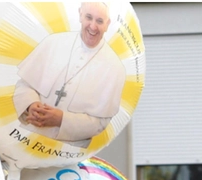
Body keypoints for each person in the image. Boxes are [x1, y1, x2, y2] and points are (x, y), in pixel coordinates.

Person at [11, 2, 126, 145]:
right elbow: (25, 84)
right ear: (80, 15)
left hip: (70, 150)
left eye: (99, 21)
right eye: (89, 17)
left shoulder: (115, 67)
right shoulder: (53, 42)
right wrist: (31, 104)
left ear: (107, 24)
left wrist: (61, 119)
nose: (93, 26)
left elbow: (101, 122)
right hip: (27, 138)